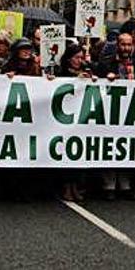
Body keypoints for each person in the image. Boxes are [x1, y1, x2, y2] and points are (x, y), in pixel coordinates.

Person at [93, 32, 135, 200]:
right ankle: (109, 185)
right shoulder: (107, 63)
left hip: (132, 112)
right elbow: (96, 82)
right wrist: (104, 79)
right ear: (117, 45)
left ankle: (125, 184)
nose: (126, 48)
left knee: (128, 147)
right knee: (111, 146)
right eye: (123, 44)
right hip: (111, 112)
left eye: (129, 45)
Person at [54, 43, 91, 202]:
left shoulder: (86, 73)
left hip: (80, 119)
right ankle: (66, 187)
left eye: (81, 58)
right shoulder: (60, 73)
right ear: (69, 59)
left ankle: (75, 186)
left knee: (77, 153)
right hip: (64, 118)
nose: (79, 61)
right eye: (76, 58)